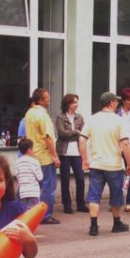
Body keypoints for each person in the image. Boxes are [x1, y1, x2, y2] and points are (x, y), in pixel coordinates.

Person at [78, 91, 130, 237]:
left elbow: (82, 139)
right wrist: (129, 163)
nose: (118, 104)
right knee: (116, 195)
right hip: (114, 165)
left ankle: (94, 225)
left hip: (96, 164)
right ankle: (116, 223)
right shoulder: (120, 121)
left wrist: (84, 159)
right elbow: (125, 143)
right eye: (116, 101)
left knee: (94, 195)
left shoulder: (92, 119)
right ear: (111, 103)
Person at [24, 88, 60, 224]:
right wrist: (55, 156)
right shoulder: (43, 115)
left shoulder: (29, 113)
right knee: (48, 188)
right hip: (44, 156)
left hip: (33, 154)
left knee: (36, 187)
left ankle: (32, 213)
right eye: (47, 97)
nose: (49, 99)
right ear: (40, 100)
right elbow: (48, 138)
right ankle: (44, 215)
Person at [55, 93, 88, 214]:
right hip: (64, 152)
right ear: (68, 104)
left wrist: (74, 133)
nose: (77, 104)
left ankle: (81, 204)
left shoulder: (79, 117)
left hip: (77, 152)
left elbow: (84, 133)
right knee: (65, 179)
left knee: (80, 178)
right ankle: (67, 205)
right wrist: (75, 131)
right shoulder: (60, 117)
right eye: (74, 102)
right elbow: (62, 133)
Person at [15, 138, 43, 209]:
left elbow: (17, 176)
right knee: (34, 212)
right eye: (32, 148)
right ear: (29, 150)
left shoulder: (17, 162)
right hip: (33, 192)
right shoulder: (34, 162)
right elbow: (40, 177)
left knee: (24, 212)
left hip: (22, 192)